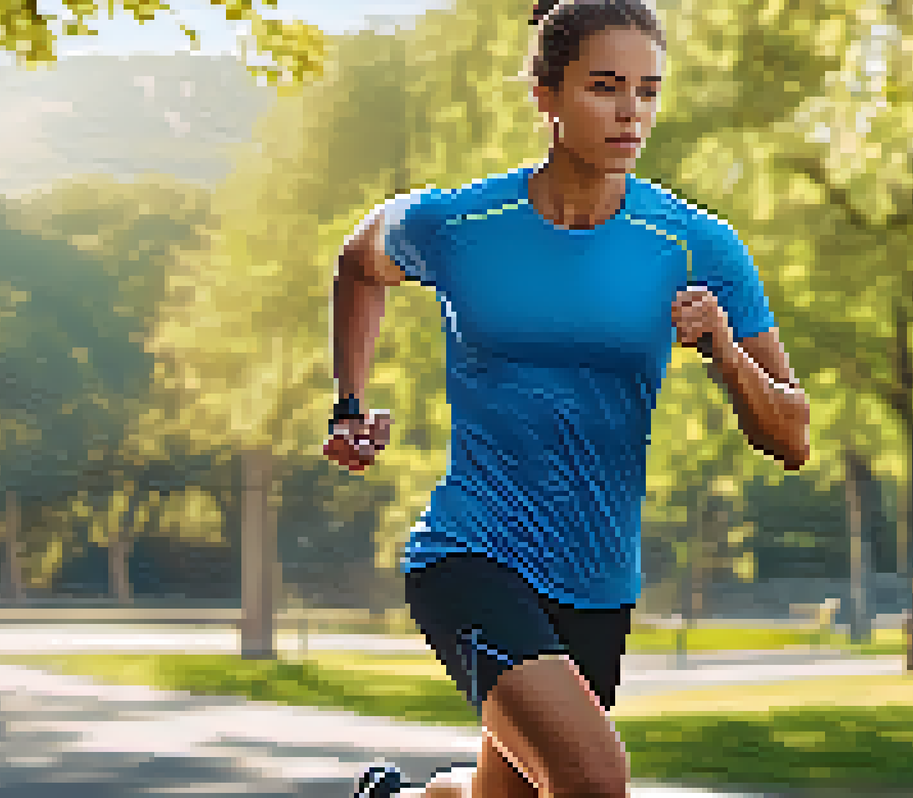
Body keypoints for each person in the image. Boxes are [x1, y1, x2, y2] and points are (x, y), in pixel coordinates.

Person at [326, 0, 812, 795]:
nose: (631, 113)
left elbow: (790, 436)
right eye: (605, 87)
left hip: (596, 582)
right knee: (591, 779)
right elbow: (359, 261)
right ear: (546, 94)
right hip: (469, 554)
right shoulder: (460, 221)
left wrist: (725, 353)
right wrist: (350, 403)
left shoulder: (695, 246)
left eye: (649, 91)